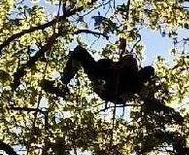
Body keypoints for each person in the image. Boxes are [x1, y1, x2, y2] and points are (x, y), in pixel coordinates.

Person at [42, 46, 181, 119]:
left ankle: (63, 82)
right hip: (106, 84)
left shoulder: (136, 82)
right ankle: (63, 83)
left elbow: (149, 99)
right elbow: (99, 67)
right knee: (80, 52)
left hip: (113, 90)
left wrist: (169, 111)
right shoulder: (113, 67)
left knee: (84, 56)